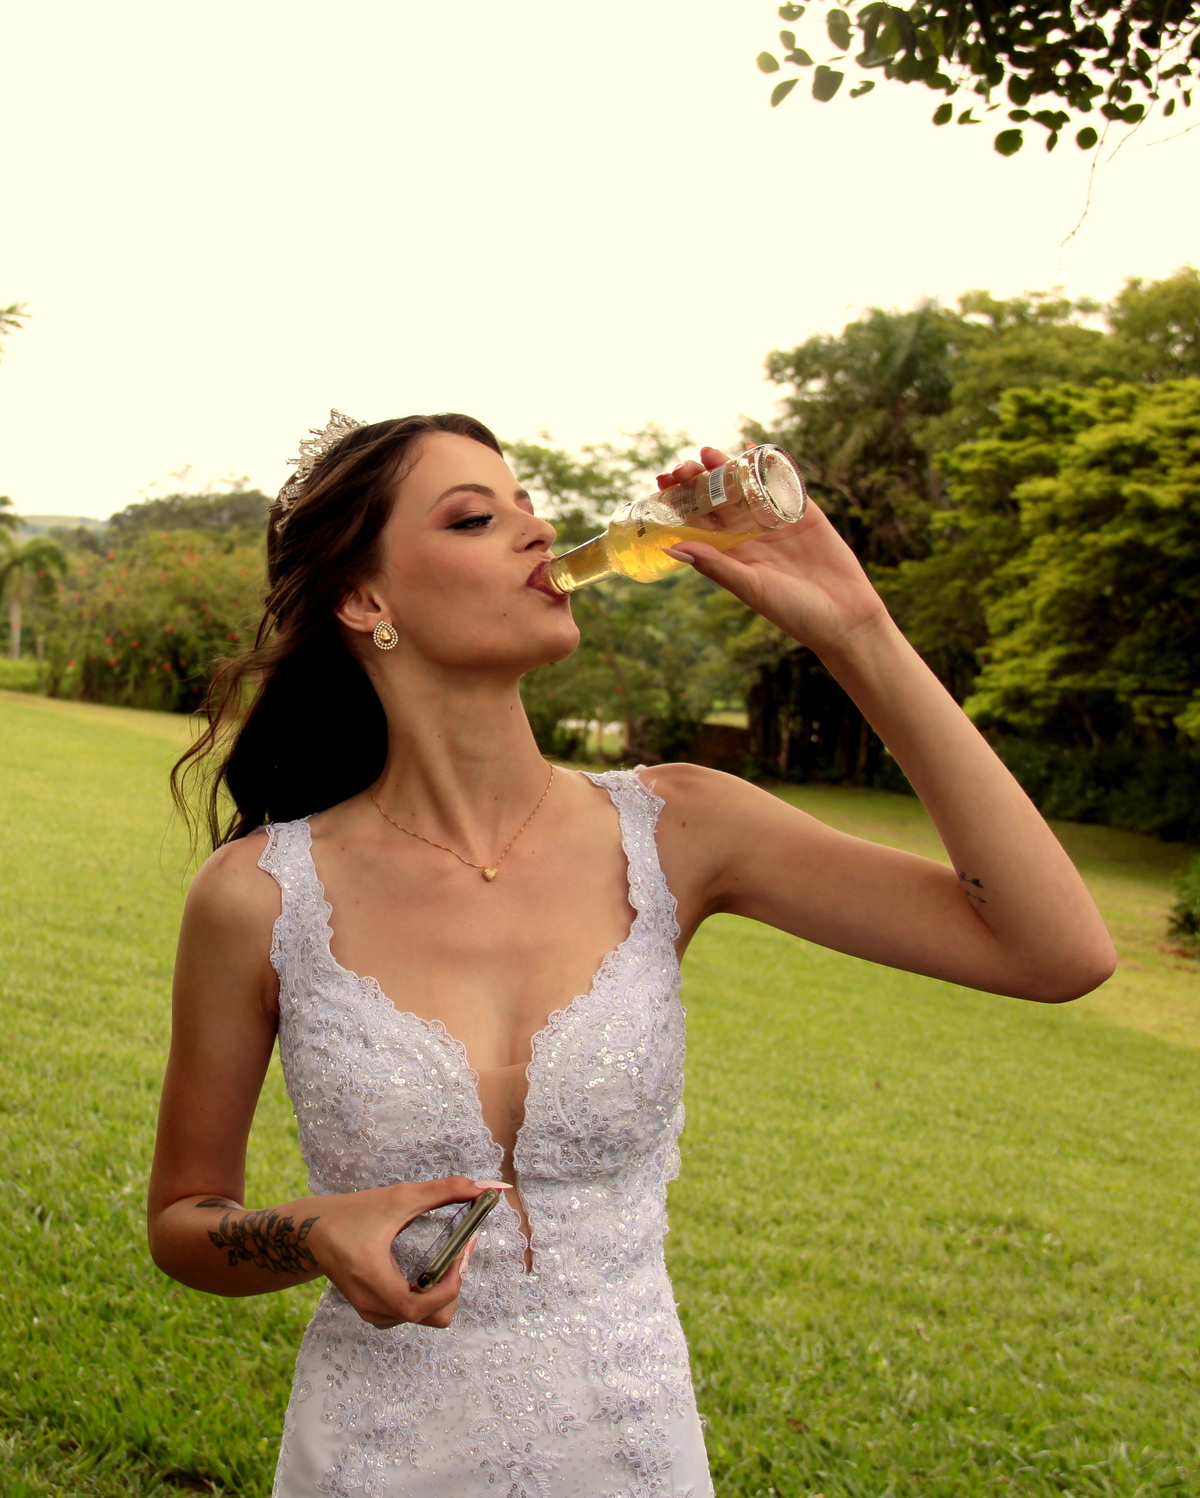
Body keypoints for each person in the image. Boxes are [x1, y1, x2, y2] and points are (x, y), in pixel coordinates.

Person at [148, 411, 1115, 1498]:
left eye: (528, 506)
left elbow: (1056, 949)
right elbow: (186, 1225)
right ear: (365, 600)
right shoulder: (259, 896)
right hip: (374, 1458)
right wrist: (311, 1228)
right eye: (476, 517)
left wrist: (857, 629)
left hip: (629, 1451)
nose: (537, 530)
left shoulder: (682, 828)